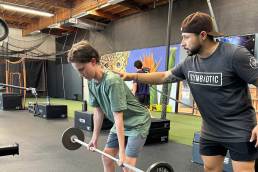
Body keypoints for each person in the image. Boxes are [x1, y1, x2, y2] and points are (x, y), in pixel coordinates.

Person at [118, 12, 258, 172]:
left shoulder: (234, 55)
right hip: (211, 130)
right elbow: (164, 76)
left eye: (186, 37)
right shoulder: (189, 63)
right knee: (211, 169)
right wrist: (132, 76)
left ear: (203, 35)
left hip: (239, 129)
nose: (182, 43)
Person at [67, 41, 151, 172]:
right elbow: (98, 111)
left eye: (82, 69)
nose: (81, 74)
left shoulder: (112, 81)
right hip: (122, 123)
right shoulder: (91, 82)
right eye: (78, 71)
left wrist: (121, 153)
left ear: (93, 61)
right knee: (106, 158)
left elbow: (118, 117)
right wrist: (94, 138)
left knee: (127, 167)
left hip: (137, 122)